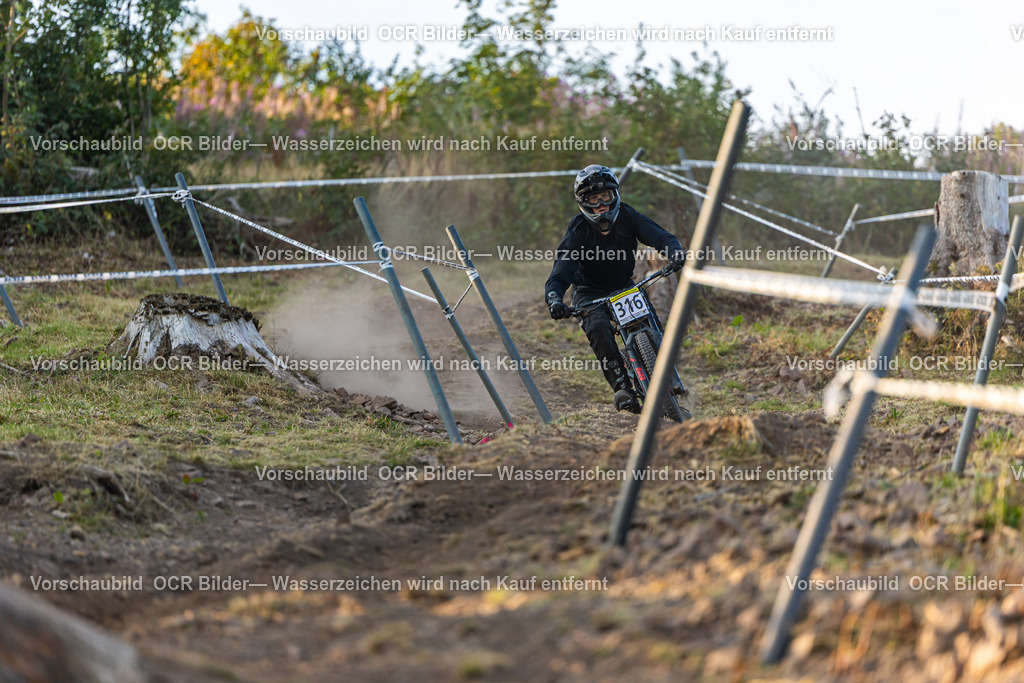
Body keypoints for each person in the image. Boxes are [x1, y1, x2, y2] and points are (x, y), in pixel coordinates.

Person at [545, 164, 686, 413]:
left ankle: (669, 375)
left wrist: (674, 252)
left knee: (651, 321)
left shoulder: (628, 216)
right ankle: (623, 388)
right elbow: (560, 271)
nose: (600, 204)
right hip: (589, 291)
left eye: (605, 196)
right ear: (583, 202)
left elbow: (661, 236)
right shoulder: (578, 230)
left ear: (615, 195)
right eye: (593, 198)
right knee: (598, 328)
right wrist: (555, 299)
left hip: (623, 285)